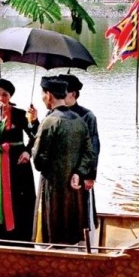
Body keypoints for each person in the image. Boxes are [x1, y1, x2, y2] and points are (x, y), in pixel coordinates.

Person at [31, 76, 94, 246]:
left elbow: (38, 162)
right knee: (71, 227)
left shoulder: (49, 121)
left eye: (43, 94)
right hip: (74, 186)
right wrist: (78, 172)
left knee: (51, 229)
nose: (42, 98)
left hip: (53, 186)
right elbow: (88, 152)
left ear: (49, 95)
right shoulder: (79, 120)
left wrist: (33, 148)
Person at [0, 78, 39, 243]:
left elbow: (35, 135)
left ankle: (23, 237)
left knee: (21, 198)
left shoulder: (20, 114)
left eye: (5, 95)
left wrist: (28, 152)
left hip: (18, 162)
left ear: (10, 96)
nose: (1, 98)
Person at [58, 73, 99, 226]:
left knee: (81, 209)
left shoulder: (87, 116)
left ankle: (83, 243)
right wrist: (33, 122)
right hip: (61, 170)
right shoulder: (54, 114)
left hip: (81, 169)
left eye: (63, 92)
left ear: (73, 94)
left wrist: (89, 175)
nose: (60, 96)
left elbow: (93, 147)